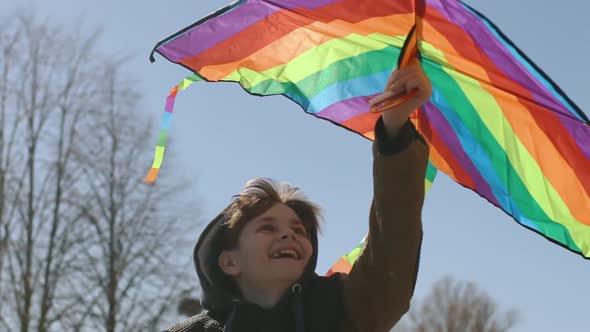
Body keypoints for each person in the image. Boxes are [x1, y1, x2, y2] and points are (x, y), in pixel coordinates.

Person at [164, 59, 432, 332]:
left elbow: (392, 246)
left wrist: (395, 127)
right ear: (230, 261)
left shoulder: (342, 309)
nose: (290, 235)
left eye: (300, 230)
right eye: (267, 227)